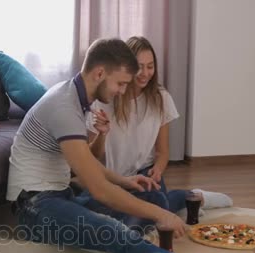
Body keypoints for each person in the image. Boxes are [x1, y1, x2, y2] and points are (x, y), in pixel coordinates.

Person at [7, 38, 246, 253]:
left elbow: (85, 163)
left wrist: (126, 182)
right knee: (118, 232)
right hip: (34, 209)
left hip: (61, 197)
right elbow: (98, 189)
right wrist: (160, 215)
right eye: (121, 83)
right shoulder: (64, 107)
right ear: (100, 73)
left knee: (151, 196)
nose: (123, 91)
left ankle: (185, 201)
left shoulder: (76, 100)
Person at [85, 36, 233, 221]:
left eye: (150, 66)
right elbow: (91, 157)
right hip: (112, 179)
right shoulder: (105, 98)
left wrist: (157, 171)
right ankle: (185, 201)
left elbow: (162, 152)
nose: (145, 73)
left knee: (147, 209)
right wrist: (101, 134)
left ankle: (195, 197)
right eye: (139, 66)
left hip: (144, 176)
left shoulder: (160, 98)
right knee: (107, 213)